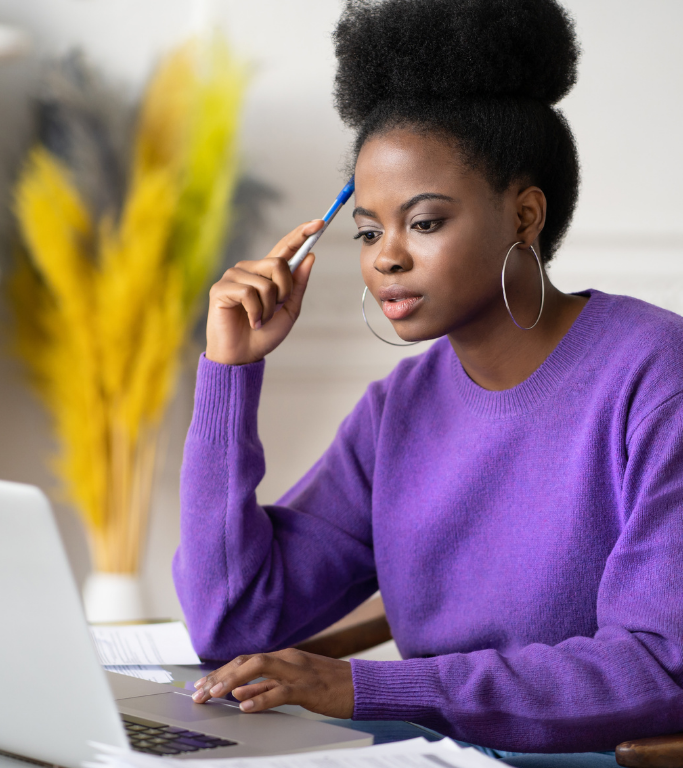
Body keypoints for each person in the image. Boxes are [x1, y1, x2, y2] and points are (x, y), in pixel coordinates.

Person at [173, 0, 683, 764]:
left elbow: (656, 665)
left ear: (523, 216)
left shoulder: (654, 376)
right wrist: (229, 373)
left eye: (425, 221)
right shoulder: (396, 411)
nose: (385, 258)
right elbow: (234, 618)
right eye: (370, 230)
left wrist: (366, 690)